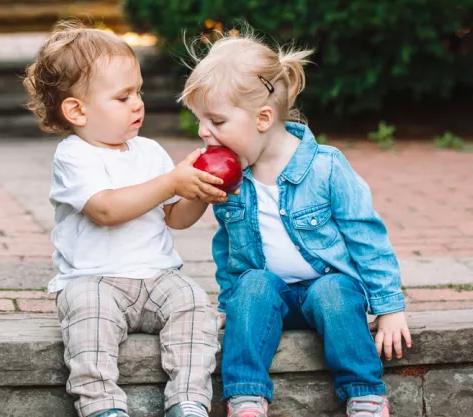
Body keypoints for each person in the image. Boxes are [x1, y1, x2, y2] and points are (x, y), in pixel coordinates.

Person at [178, 28, 413, 417]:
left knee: (336, 290)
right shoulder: (233, 177)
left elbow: (366, 237)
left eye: (216, 120)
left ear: (263, 118)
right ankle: (247, 395)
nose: (203, 132)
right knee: (251, 286)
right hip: (269, 295)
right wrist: (228, 302)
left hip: (326, 288)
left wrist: (389, 308)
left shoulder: (326, 166)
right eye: (200, 120)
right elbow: (228, 247)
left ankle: (364, 393)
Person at [23, 20, 227, 417]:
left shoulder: (148, 151)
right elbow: (106, 209)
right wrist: (171, 181)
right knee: (88, 315)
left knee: (196, 305)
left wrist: (199, 192)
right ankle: (102, 405)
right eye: (122, 97)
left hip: (157, 276)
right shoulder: (74, 156)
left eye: (139, 92)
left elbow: (175, 218)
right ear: (77, 111)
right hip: (93, 280)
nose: (138, 103)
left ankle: (188, 400)